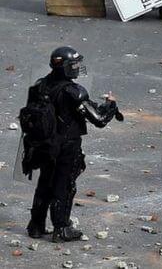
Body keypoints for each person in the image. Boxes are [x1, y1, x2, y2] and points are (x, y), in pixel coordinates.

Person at [20, 47, 122, 242]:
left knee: (45, 184)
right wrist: (111, 105)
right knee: (64, 186)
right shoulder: (73, 91)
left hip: (44, 144)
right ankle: (62, 228)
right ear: (64, 67)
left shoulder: (41, 85)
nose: (77, 68)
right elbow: (99, 119)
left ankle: (36, 225)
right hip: (66, 145)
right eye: (73, 64)